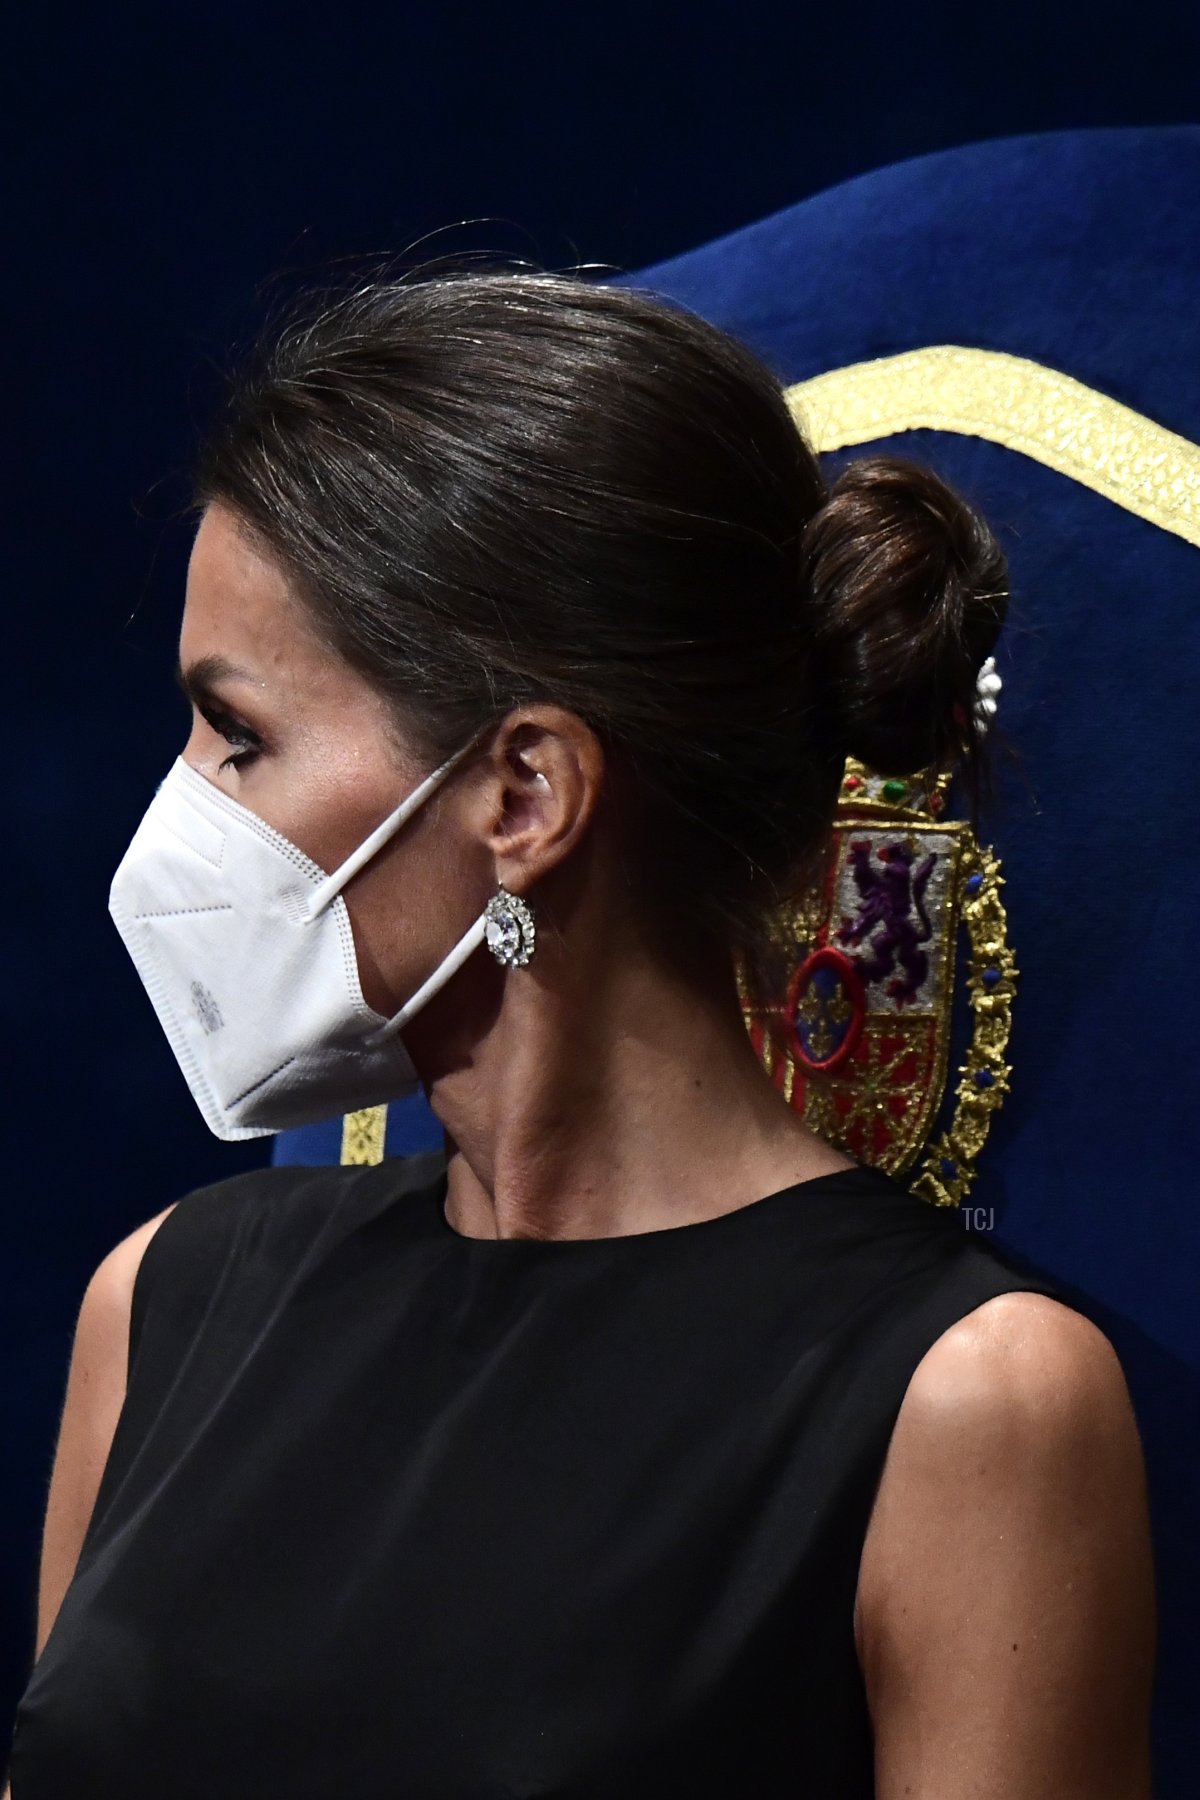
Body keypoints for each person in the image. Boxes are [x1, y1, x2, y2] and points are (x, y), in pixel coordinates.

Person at [6, 268, 1155, 1798]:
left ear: (524, 795)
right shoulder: (163, 1300)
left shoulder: (971, 1402)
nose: (182, 823)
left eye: (243, 738)